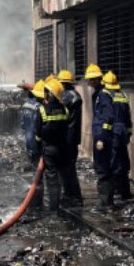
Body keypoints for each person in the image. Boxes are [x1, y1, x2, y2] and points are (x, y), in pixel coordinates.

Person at [84, 63, 115, 212]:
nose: (89, 82)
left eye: (91, 79)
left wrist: (101, 137)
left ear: (96, 79)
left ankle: (104, 203)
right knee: (102, 167)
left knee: (103, 168)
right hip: (99, 136)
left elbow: (108, 116)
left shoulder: (103, 94)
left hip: (102, 139)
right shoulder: (98, 94)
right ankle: (107, 202)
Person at [38, 76, 71, 212]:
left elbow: (38, 132)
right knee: (63, 174)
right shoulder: (65, 110)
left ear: (50, 94)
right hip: (63, 148)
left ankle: (54, 207)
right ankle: (65, 199)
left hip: (49, 148)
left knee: (52, 178)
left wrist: (40, 146)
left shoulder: (42, 110)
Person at [103, 71, 134, 200]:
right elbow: (128, 117)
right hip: (123, 132)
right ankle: (125, 192)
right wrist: (128, 133)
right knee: (123, 161)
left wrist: (104, 133)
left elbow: (108, 117)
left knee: (114, 162)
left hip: (114, 131)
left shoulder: (107, 95)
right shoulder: (123, 95)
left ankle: (116, 192)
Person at [56, 68, 83, 209]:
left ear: (63, 83)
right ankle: (71, 196)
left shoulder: (67, 97)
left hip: (68, 138)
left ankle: (73, 197)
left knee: (67, 169)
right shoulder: (75, 95)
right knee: (68, 168)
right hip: (72, 137)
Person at [19, 80, 47, 215]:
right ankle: (37, 203)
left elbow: (23, 126)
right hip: (37, 144)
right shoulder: (38, 108)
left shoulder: (25, 106)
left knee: (34, 171)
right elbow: (39, 127)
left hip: (28, 143)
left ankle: (34, 200)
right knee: (39, 174)